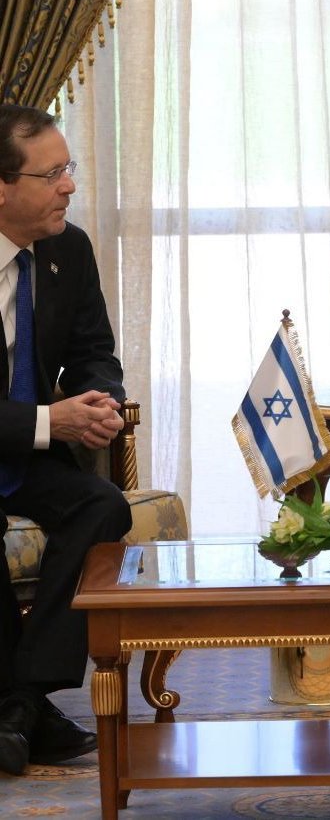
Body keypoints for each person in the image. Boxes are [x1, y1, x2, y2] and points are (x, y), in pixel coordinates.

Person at [0, 104, 131, 776]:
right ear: (2, 186)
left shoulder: (67, 250)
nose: (69, 187)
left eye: (69, 170)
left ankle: (19, 703)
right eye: (53, 175)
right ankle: (26, 709)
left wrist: (99, 399)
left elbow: (92, 352)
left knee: (104, 503)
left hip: (26, 455)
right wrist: (55, 420)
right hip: (22, 435)